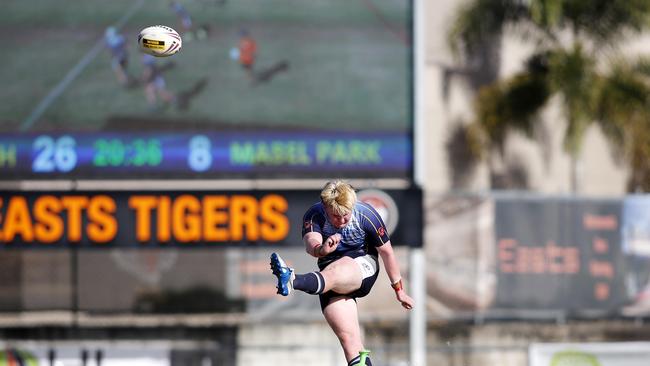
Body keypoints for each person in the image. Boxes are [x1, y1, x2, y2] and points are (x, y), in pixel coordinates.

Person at [270, 180, 414, 366]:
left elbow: (387, 253)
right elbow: (310, 243)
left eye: (345, 215)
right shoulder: (314, 214)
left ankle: (293, 280)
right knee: (351, 342)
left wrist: (399, 290)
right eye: (335, 216)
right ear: (325, 207)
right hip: (329, 273)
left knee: (341, 267)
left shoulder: (366, 214)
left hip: (363, 265)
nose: (341, 221)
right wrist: (322, 249)